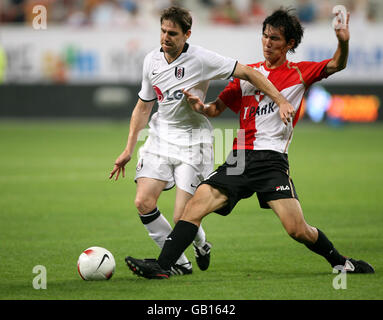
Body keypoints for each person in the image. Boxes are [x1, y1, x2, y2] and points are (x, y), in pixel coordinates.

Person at [125, 8, 375, 279]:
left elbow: (337, 64)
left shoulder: (300, 73)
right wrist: (201, 106)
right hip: (240, 158)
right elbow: (216, 109)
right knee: (192, 208)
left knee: (296, 229)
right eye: (265, 36)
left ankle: (341, 262)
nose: (267, 43)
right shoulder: (249, 75)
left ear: (290, 44)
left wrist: (343, 41)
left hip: (271, 162)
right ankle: (163, 267)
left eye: (275, 39)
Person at [110, 6, 295, 276]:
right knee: (143, 202)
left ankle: (201, 245)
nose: (165, 37)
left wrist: (280, 100)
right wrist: (128, 148)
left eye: (172, 33)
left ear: (187, 34)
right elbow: (143, 106)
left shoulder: (202, 58)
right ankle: (179, 264)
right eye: (162, 31)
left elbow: (250, 73)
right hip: (160, 138)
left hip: (194, 143)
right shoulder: (151, 60)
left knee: (181, 217)